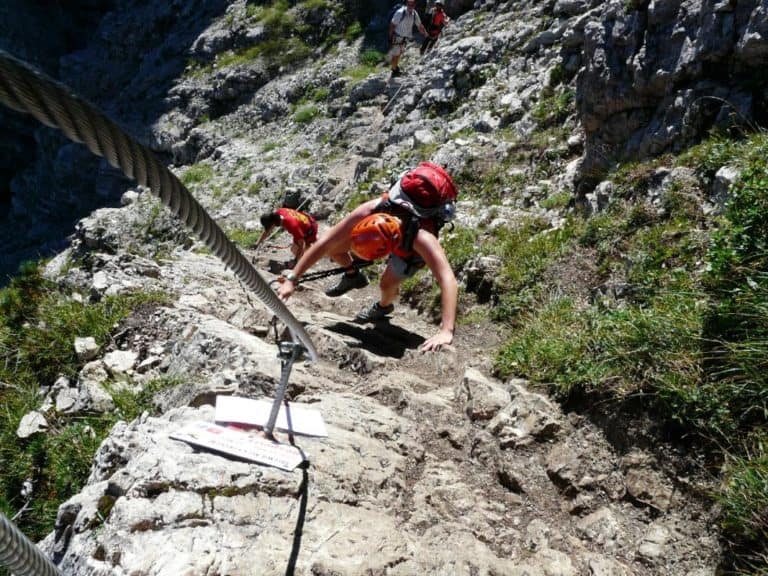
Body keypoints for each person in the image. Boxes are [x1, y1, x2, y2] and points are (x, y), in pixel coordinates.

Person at [276, 187, 458, 353]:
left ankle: (383, 307)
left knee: (386, 285)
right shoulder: (369, 210)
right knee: (333, 248)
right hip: (391, 234)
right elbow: (324, 242)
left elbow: (447, 279)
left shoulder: (422, 239)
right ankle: (352, 275)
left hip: (409, 249)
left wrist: (446, 330)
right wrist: (293, 278)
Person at [253, 207, 318, 262]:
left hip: (310, 230)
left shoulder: (292, 225)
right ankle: (316, 248)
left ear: (274, 223)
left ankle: (313, 255)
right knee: (296, 247)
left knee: (295, 250)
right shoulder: (279, 212)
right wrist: (257, 243)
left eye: (270, 226)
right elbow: (267, 231)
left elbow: (302, 244)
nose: (270, 229)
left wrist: (295, 261)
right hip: (305, 221)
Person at [388, 0, 428, 78]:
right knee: (395, 54)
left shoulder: (414, 13)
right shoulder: (400, 13)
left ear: (415, 5)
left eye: (412, 4)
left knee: (398, 54)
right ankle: (394, 70)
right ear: (406, 4)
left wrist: (425, 33)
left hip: (404, 38)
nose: (410, 6)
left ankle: (395, 67)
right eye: (409, 4)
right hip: (397, 37)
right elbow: (392, 25)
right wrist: (390, 37)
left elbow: (419, 25)